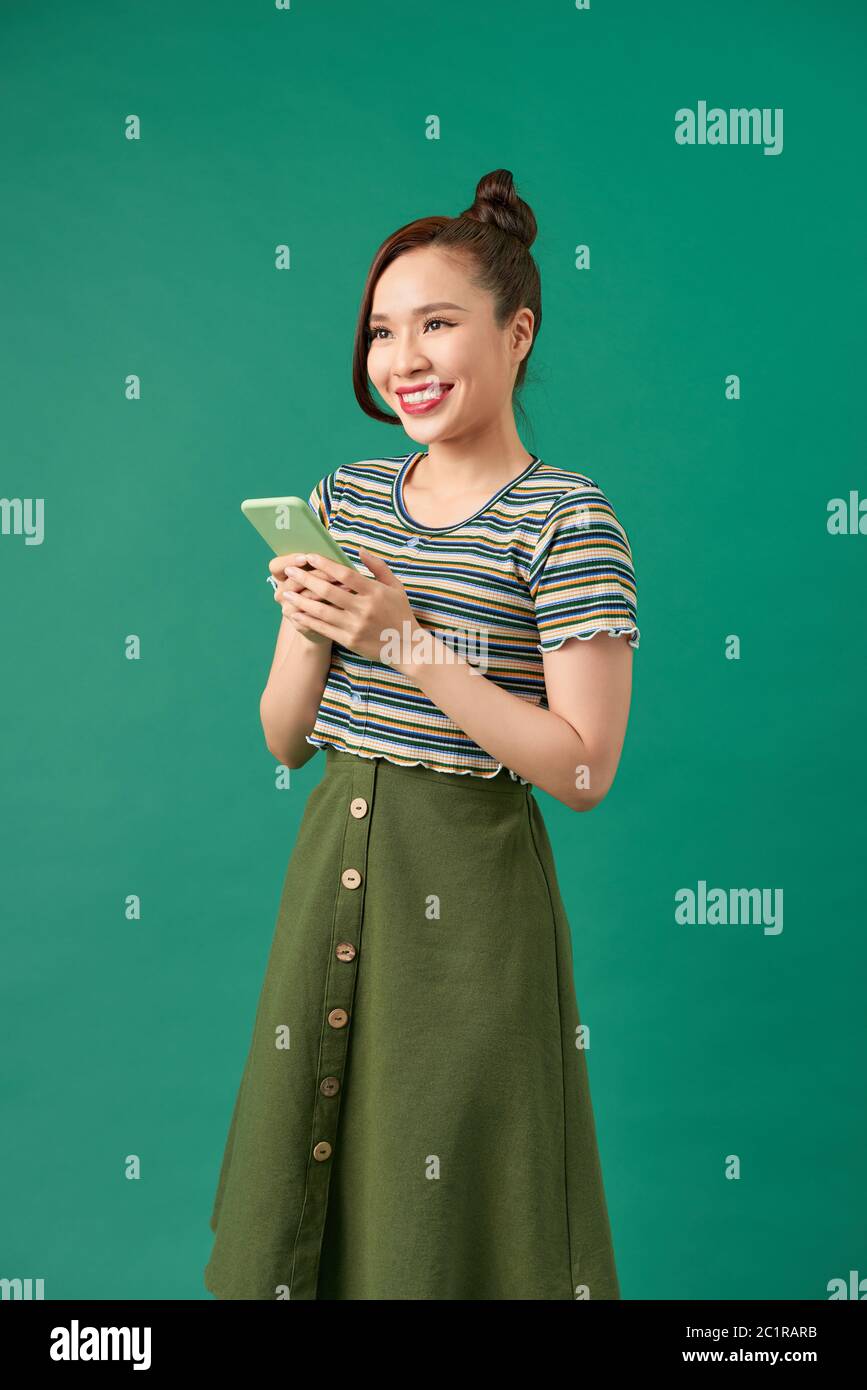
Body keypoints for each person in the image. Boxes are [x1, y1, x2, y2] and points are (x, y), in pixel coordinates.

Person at [204, 168, 639, 1301]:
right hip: (332, 871)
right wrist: (311, 627)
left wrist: (408, 643)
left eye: (439, 323)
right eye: (383, 332)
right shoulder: (345, 496)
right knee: (307, 1197)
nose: (405, 359)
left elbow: (583, 767)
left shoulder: (567, 517)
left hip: (470, 911)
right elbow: (285, 739)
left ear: (518, 330)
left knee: (443, 1219)